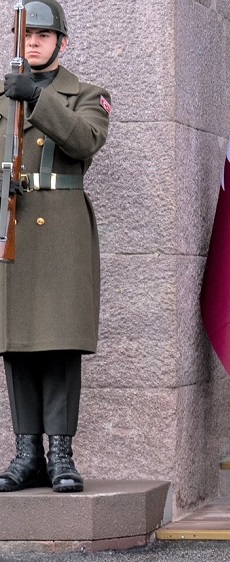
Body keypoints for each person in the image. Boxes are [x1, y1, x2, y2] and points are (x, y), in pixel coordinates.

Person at [0, 0, 110, 495]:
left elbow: (85, 141)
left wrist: (38, 102)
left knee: (62, 343)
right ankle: (27, 454)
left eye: (44, 35)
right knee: (16, 343)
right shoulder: (1, 96)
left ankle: (61, 454)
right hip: (13, 227)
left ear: (61, 42)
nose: (35, 42)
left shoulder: (87, 94)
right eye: (28, 35)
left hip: (63, 230)